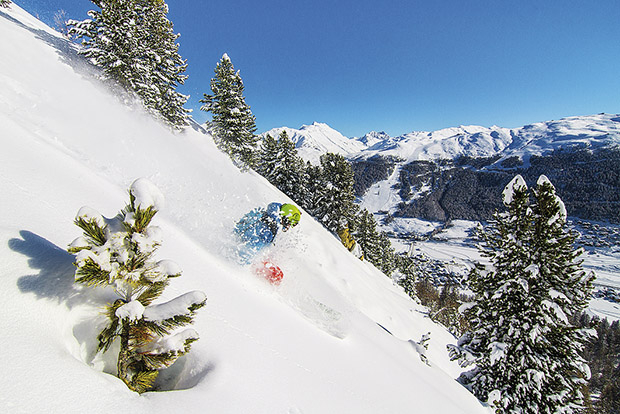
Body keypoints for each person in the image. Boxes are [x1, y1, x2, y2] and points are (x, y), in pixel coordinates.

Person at [234, 202, 301, 264]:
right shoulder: (267, 229)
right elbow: (249, 250)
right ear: (285, 217)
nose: (288, 227)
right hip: (237, 257)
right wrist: (254, 264)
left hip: (237, 244)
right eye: (289, 223)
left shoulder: (268, 218)